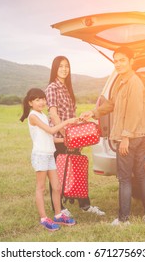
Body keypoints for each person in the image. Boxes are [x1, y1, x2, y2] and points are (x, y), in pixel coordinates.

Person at [80, 46, 145, 225]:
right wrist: (93, 112)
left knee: (124, 178)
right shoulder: (121, 81)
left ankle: (123, 220)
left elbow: (135, 112)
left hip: (130, 136)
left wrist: (126, 138)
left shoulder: (134, 83)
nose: (118, 64)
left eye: (122, 60)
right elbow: (112, 104)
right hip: (136, 135)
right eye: (116, 60)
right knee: (140, 175)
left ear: (131, 61)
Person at [45, 55, 105, 216]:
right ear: (55, 69)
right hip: (60, 137)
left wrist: (78, 130)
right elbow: (54, 115)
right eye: (60, 66)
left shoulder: (67, 87)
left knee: (77, 168)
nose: (64, 69)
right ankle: (59, 208)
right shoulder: (52, 88)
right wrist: (68, 135)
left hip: (72, 136)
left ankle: (85, 205)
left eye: (66, 66)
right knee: (58, 173)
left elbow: (70, 113)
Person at [20, 88, 77, 231]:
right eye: (37, 100)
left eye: (43, 99)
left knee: (57, 187)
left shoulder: (42, 115)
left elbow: (50, 137)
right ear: (30, 102)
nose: (42, 102)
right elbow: (51, 130)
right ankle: (44, 219)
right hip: (40, 155)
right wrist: (68, 121)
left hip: (49, 154)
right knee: (41, 187)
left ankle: (58, 215)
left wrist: (66, 140)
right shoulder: (33, 116)